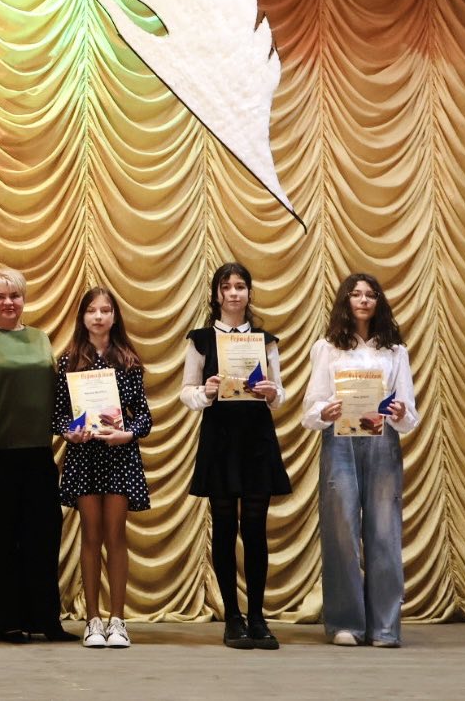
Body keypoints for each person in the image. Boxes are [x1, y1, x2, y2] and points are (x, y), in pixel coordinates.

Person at [302, 273, 419, 648]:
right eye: (356, 294)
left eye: (371, 295)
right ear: (346, 301)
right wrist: (326, 410)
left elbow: (410, 415)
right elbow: (310, 411)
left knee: (384, 532)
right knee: (341, 532)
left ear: (379, 302)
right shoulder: (327, 348)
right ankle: (345, 623)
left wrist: (399, 412)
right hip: (340, 441)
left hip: (382, 442)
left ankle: (385, 627)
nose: (364, 300)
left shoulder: (395, 351)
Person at [180, 261, 290, 650]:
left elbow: (280, 394)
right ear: (216, 294)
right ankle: (232, 617)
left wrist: (272, 393)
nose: (233, 293)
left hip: (257, 439)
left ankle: (257, 616)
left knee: (256, 529)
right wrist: (206, 393)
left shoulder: (265, 340)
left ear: (249, 293)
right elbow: (186, 392)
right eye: (226, 287)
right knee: (225, 527)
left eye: (240, 286)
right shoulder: (200, 339)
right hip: (221, 438)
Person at [0, 268, 78, 642]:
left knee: (42, 539)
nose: (8, 302)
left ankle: (45, 619)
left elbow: (56, 394)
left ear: (24, 298)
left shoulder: (41, 338)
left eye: (15, 295)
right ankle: (3, 619)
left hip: (38, 454)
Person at [53, 287, 152, 649]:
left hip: (119, 457)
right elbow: (58, 415)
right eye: (92, 310)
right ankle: (93, 620)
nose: (98, 316)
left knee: (116, 536)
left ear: (114, 316)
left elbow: (144, 416)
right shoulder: (68, 361)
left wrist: (128, 434)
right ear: (82, 317)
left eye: (105, 310)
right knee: (90, 536)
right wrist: (69, 432)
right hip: (84, 457)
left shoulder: (128, 359)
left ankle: (118, 620)